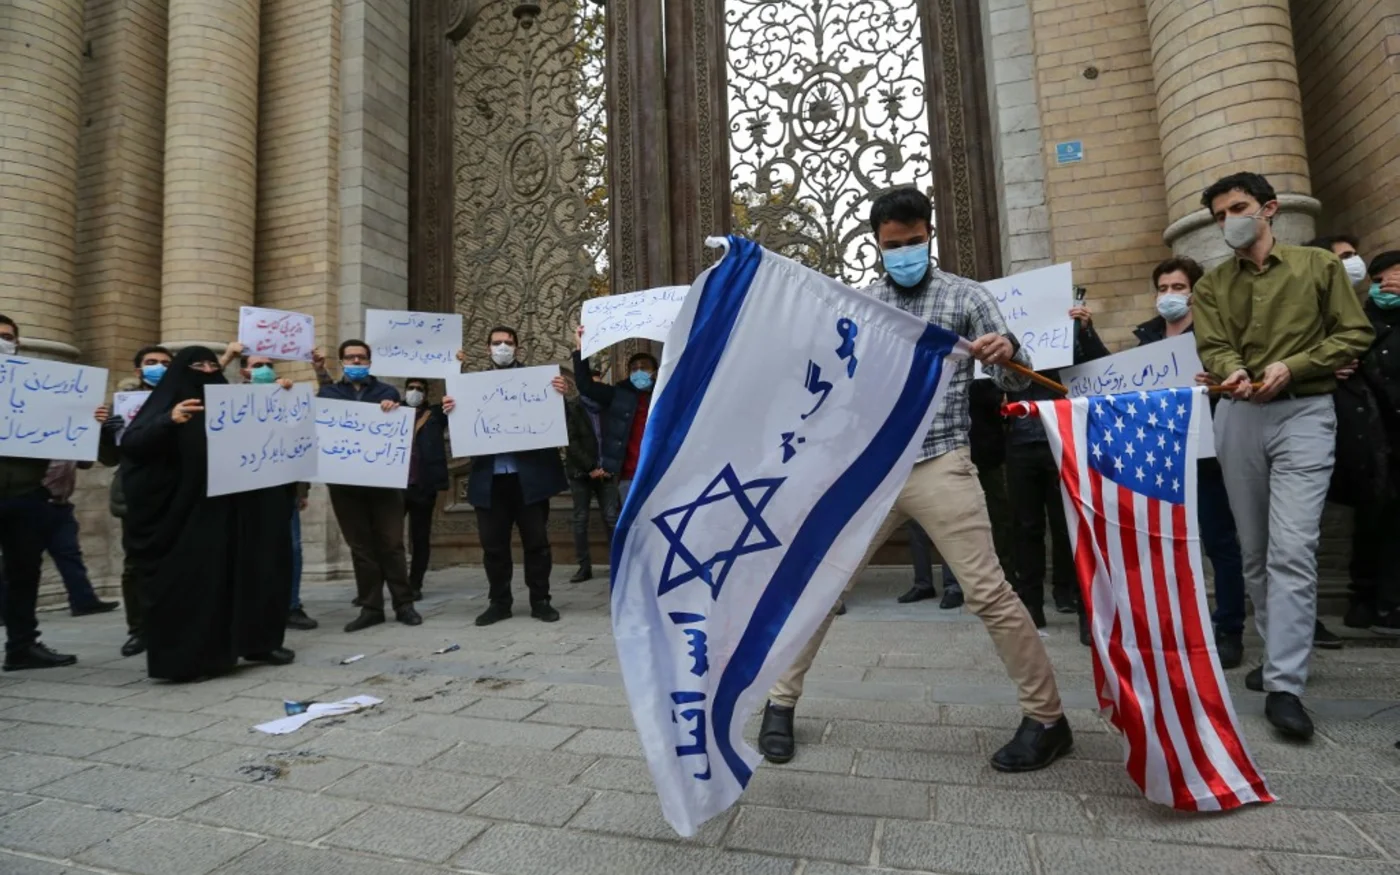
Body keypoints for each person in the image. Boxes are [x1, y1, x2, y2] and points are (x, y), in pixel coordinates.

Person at [758, 187, 1072, 772]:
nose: (903, 252)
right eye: (892, 245)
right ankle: (779, 704)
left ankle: (1048, 718)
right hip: (872, 475)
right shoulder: (864, 306)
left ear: (930, 236)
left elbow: (1015, 384)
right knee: (820, 589)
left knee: (988, 593)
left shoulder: (967, 297)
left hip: (941, 464)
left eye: (913, 242)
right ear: (877, 246)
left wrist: (1006, 354)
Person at [1192, 171, 1374, 740]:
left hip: (1305, 412)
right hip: (1238, 416)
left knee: (1294, 547)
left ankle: (1286, 684)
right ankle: (1276, 655)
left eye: (1239, 208)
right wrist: (1235, 372)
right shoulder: (1210, 285)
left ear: (1268, 209)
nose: (1230, 221)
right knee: (1255, 551)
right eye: (1220, 214)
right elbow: (1215, 345)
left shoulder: (1318, 268)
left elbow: (1352, 332)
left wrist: (1291, 367)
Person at [119, 346, 296, 680]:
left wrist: (279, 398)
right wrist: (168, 422)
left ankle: (259, 641)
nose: (205, 370)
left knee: (254, 575)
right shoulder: (164, 407)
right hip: (191, 517)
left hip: (240, 512)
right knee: (198, 584)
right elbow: (132, 446)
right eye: (196, 365)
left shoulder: (234, 404)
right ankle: (193, 658)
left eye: (211, 365)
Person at [1133, 256, 1249, 668]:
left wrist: (1215, 385)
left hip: (1208, 451)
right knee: (1165, 539)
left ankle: (1229, 627)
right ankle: (1178, 621)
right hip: (1162, 452)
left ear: (1195, 292)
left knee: (1219, 540)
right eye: (1162, 288)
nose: (1169, 296)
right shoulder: (1147, 336)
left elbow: (1242, 379)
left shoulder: (1214, 335)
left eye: (1177, 288)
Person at [0, 314, 106, 671]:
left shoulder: (40, 388)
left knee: (23, 574)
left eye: (7, 336)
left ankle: (22, 646)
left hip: (26, 495)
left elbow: (82, 456)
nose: (4, 342)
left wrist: (88, 423)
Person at [1004, 299, 1109, 636]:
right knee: (1027, 527)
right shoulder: (1007, 341)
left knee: (1070, 528)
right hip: (1021, 442)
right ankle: (1031, 606)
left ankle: (1082, 605)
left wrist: (1086, 332)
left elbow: (1104, 371)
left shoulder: (1071, 336)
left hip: (1063, 439)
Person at [1306, 236, 1392, 637]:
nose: (1351, 264)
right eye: (1342, 258)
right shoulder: (1309, 315)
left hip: (1375, 433)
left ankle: (1377, 601)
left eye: (1353, 255)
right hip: (1326, 432)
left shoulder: (1372, 314)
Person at [455, 327, 567, 626]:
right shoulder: (469, 386)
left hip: (528, 480)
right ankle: (499, 602)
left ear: (516, 347)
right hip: (489, 481)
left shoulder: (538, 382)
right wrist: (451, 410)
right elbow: (452, 427)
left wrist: (559, 396)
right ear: (487, 347)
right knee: (493, 547)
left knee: (537, 544)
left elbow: (557, 420)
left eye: (507, 342)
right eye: (496, 343)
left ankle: (540, 600)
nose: (502, 347)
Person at [320, 339, 422, 632]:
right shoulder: (328, 394)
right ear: (341, 363)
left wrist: (394, 408)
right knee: (361, 547)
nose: (355, 363)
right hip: (344, 484)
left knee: (391, 544)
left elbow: (400, 428)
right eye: (350, 358)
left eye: (361, 358)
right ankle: (371, 607)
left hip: (383, 484)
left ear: (370, 361)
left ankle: (404, 604)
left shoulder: (386, 392)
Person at [98, 345, 172, 657]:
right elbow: (108, 458)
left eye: (166, 363)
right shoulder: (121, 405)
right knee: (136, 565)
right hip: (136, 495)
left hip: (176, 493)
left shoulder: (189, 399)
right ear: (138, 371)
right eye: (151, 363)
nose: (159, 367)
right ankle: (139, 629)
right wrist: (104, 432)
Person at [1341, 251, 1400, 633]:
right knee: (1372, 519)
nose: (1386, 288)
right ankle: (1364, 599)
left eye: (1393, 280)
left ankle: (1389, 602)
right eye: (1379, 282)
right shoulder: (1362, 322)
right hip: (1372, 436)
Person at [566, 329, 657, 503]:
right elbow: (586, 386)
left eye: (644, 367)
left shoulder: (666, 395)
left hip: (660, 472)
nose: (639, 372)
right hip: (629, 475)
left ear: (654, 371)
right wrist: (580, 350)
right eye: (634, 369)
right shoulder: (619, 394)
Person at [561, 366, 620, 583]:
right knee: (580, 519)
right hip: (580, 473)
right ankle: (584, 566)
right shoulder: (573, 407)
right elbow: (571, 441)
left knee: (612, 517)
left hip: (607, 472)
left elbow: (616, 438)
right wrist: (590, 467)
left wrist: (607, 466)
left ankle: (617, 563)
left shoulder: (611, 407)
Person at [41, 460, 120, 616]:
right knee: (20, 561)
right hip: (34, 506)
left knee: (70, 555)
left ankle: (83, 601)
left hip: (60, 506)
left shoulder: (69, 444)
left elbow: (86, 464)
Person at [403, 376, 450, 599]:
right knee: (388, 539)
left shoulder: (435, 415)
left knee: (420, 538)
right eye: (411, 388)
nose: (414, 392)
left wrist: (456, 366)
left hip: (424, 485)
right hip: (397, 486)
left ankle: (415, 585)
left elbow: (459, 396)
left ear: (426, 393)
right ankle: (385, 583)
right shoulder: (393, 412)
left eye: (419, 389)